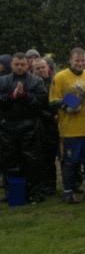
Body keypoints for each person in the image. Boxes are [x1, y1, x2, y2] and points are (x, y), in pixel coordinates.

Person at [49, 47, 85, 204]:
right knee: (69, 162)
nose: (80, 63)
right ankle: (68, 192)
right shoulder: (60, 77)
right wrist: (68, 106)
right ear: (70, 60)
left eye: (83, 60)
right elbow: (53, 100)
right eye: (77, 60)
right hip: (69, 130)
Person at [0, 53, 48, 203]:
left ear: (28, 65)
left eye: (22, 64)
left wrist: (25, 95)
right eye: (16, 64)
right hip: (8, 126)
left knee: (32, 161)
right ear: (12, 65)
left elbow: (41, 104)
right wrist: (12, 96)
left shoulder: (36, 81)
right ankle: (11, 193)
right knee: (9, 160)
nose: (19, 67)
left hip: (30, 126)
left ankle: (34, 193)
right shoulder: (2, 81)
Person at [31, 58, 59, 196]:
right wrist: (51, 117)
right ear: (33, 70)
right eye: (38, 68)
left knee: (66, 157)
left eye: (43, 67)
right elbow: (36, 106)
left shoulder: (56, 81)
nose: (41, 70)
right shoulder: (32, 84)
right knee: (45, 158)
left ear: (48, 67)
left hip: (60, 123)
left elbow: (66, 96)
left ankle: (73, 183)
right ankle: (47, 185)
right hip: (42, 125)